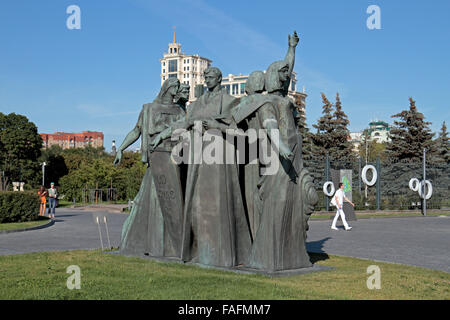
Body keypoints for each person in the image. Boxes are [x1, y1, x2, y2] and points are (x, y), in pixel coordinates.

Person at [114, 78, 186, 258]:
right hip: (156, 159)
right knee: (151, 201)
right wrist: (121, 149)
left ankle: (170, 246)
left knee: (171, 201)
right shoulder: (149, 109)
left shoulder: (179, 110)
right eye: (174, 86)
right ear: (167, 88)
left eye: (178, 86)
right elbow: (136, 131)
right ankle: (152, 245)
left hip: (174, 159)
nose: (177, 89)